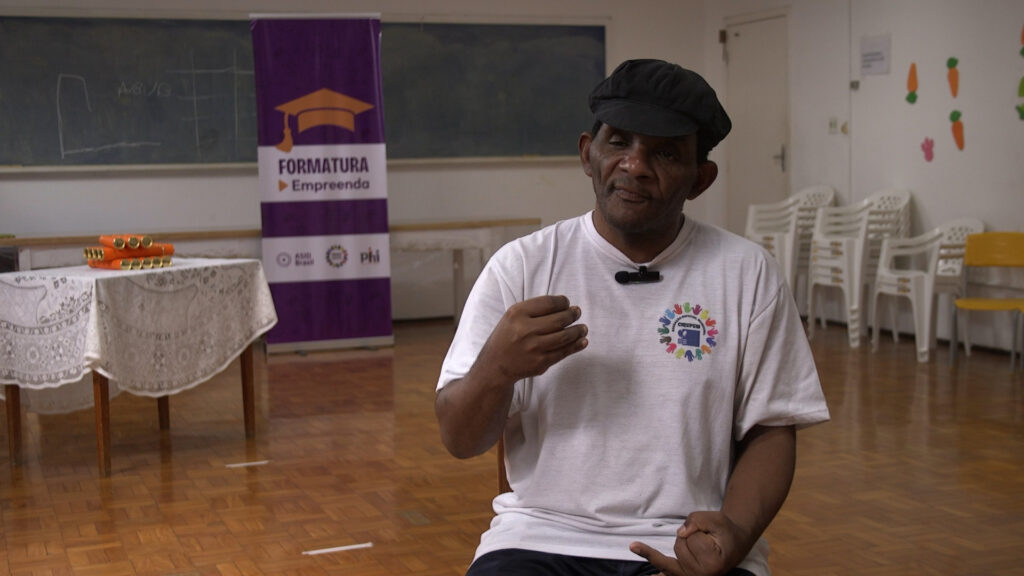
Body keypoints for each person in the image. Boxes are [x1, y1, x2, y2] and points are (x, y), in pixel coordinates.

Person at [435, 59, 830, 576]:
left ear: (701, 178)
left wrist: (735, 531)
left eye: (665, 152)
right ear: (587, 153)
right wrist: (496, 369)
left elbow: (771, 430)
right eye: (619, 141)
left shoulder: (746, 273)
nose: (635, 165)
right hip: (539, 536)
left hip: (685, 541)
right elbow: (460, 440)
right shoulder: (523, 266)